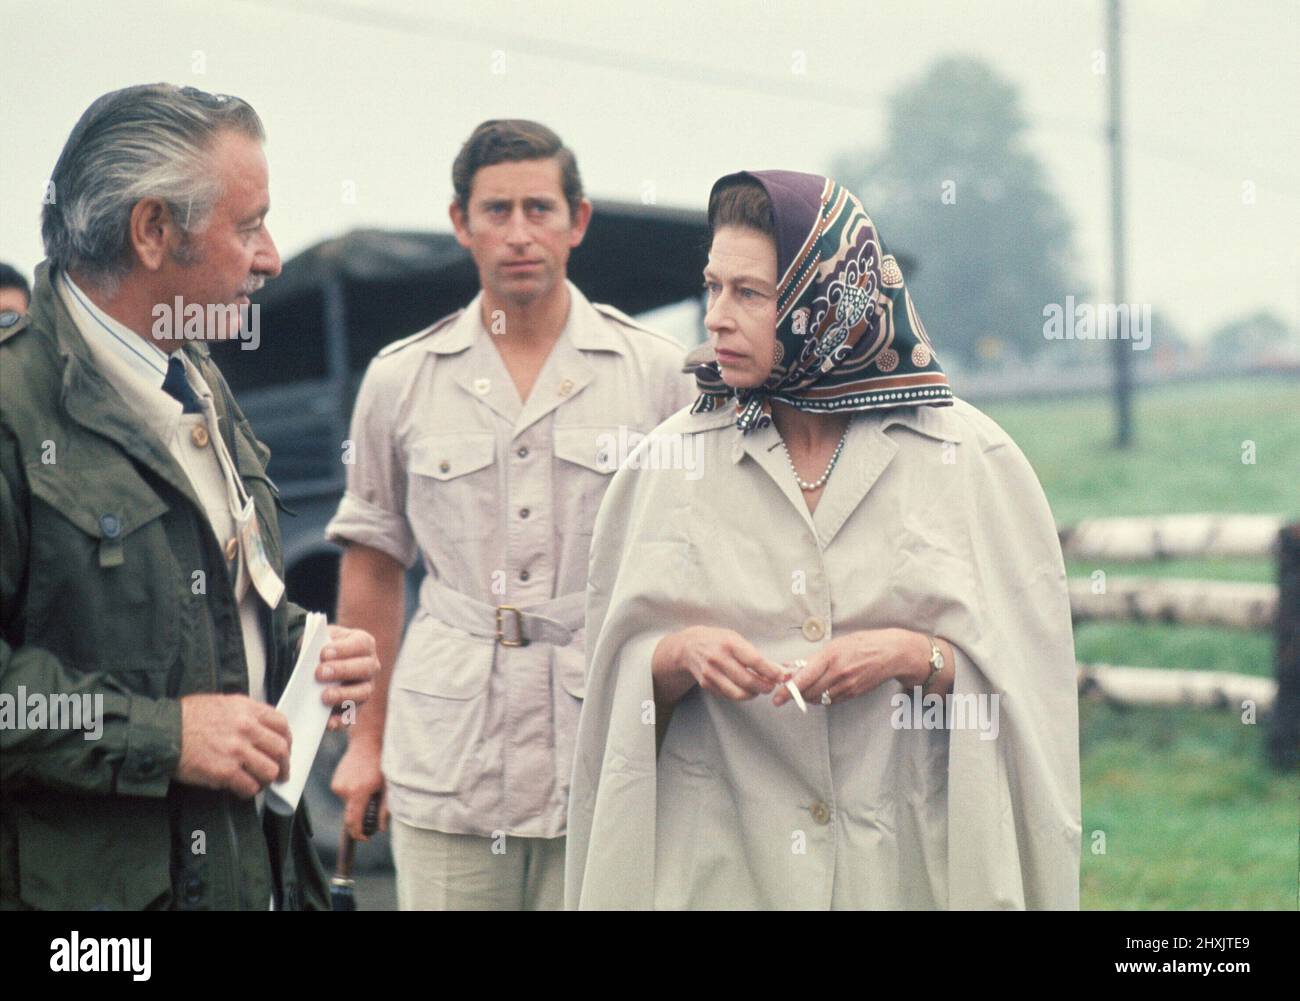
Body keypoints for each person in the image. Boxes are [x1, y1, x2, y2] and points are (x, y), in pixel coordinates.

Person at [566, 169, 1081, 910]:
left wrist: (918, 657)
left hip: (910, 866)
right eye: (713, 287)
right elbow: (609, 705)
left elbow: (1034, 697)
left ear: (826, 299)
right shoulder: (663, 466)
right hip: (723, 869)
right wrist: (675, 657)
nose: (715, 316)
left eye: (750, 292)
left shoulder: (973, 461)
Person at [0, 84, 380, 910]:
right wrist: (165, 736)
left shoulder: (198, 379)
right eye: (248, 225)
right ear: (152, 231)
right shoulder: (11, 406)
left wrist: (301, 651)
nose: (271, 254)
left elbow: (199, 604)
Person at [326, 119, 698, 910]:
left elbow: (699, 556)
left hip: (606, 741)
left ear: (578, 221)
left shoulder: (658, 375)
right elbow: (371, 560)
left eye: (540, 208)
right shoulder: (401, 379)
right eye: (497, 211)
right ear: (461, 224)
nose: (520, 233)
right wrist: (366, 740)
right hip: (451, 748)